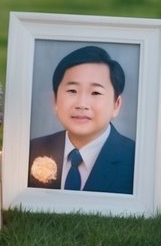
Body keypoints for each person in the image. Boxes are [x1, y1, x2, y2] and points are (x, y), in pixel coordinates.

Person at [27, 44, 135, 195]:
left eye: (96, 93)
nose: (81, 104)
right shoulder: (31, 150)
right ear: (55, 101)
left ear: (116, 105)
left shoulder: (135, 159)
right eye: (72, 91)